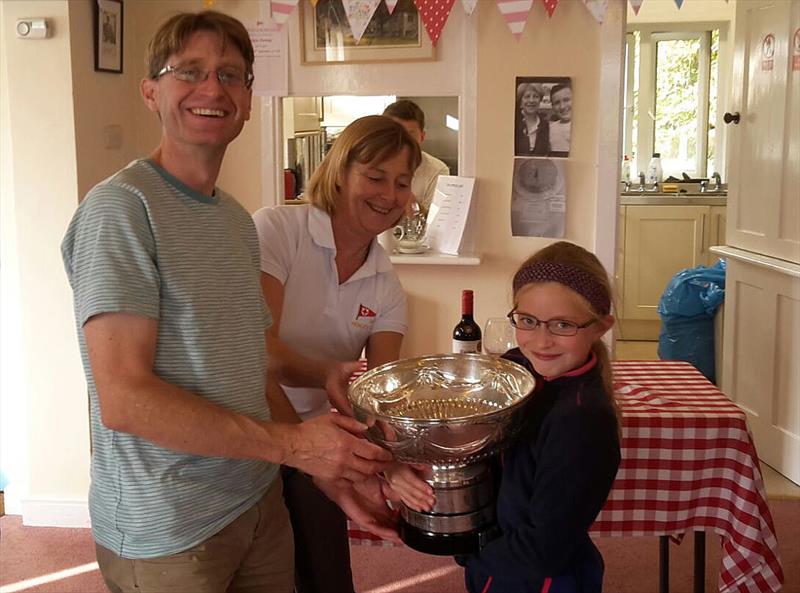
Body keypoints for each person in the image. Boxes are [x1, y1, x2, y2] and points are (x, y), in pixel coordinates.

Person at [61, 12, 394, 593]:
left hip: (257, 502)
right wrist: (294, 444)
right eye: (189, 71)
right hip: (170, 527)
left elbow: (251, 358)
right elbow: (124, 399)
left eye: (231, 75)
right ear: (151, 91)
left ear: (245, 100)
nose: (212, 88)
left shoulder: (237, 222)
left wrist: (323, 386)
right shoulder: (121, 210)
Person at [388, 241, 622, 593]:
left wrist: (470, 552)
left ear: (601, 327)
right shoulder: (517, 369)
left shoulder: (582, 421)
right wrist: (407, 465)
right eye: (528, 321)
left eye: (562, 324)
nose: (541, 341)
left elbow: (544, 550)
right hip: (499, 562)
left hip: (540, 579)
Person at [252, 114, 421, 593]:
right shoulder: (277, 230)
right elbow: (256, 351)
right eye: (375, 177)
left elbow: (380, 395)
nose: (389, 195)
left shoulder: (386, 284)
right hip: (248, 431)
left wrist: (392, 461)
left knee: (325, 575)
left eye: (402, 183)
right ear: (341, 170)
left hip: (317, 441)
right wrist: (324, 374)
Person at [382, 99, 449, 216]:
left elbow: (435, 224)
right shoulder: (367, 163)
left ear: (422, 137)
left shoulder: (437, 170)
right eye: (394, 134)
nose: (401, 141)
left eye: (409, 135)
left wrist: (410, 201)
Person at [514, 82, 551, 156]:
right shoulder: (515, 123)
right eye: (527, 97)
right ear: (521, 101)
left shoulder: (546, 125)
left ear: (540, 100)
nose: (531, 100)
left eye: (535, 96)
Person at [549, 83, 572, 156]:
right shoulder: (550, 128)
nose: (562, 106)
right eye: (557, 103)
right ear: (552, 107)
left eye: (566, 100)